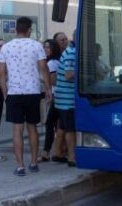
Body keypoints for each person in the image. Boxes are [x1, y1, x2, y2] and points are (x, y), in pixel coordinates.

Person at [0, 17, 51, 177]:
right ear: (29, 30)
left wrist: (4, 91)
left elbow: (1, 72)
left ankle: (20, 166)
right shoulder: (36, 45)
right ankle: (34, 163)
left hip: (14, 93)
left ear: (16, 30)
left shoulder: (6, 47)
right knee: (32, 127)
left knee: (17, 129)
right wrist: (48, 88)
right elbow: (43, 68)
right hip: (33, 92)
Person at [53, 36, 77, 167]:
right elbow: (69, 75)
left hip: (62, 98)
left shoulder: (69, 51)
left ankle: (57, 153)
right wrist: (84, 71)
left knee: (62, 127)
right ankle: (72, 158)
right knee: (70, 129)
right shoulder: (72, 53)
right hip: (68, 99)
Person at [40, 39, 62, 162]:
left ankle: (46, 152)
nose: (45, 49)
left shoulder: (51, 63)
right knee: (58, 124)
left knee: (49, 124)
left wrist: (42, 79)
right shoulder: (56, 61)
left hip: (55, 95)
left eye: (48, 47)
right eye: (44, 47)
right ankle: (55, 151)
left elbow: (53, 81)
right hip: (59, 95)